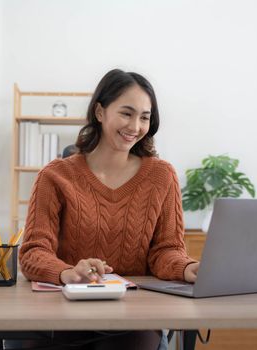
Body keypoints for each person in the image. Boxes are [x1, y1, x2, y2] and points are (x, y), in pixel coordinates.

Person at [13, 69, 199, 350]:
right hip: (62, 313)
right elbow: (33, 252)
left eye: (145, 117)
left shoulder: (162, 176)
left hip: (132, 318)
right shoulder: (55, 175)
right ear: (100, 112)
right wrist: (68, 273)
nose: (135, 126)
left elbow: (165, 251)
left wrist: (188, 268)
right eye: (126, 113)